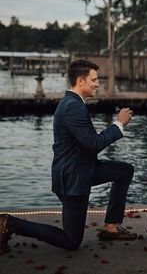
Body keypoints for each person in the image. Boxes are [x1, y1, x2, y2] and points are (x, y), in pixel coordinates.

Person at [0, 59, 136, 255]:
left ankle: (111, 227)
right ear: (81, 82)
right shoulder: (73, 107)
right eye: (94, 79)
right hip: (73, 177)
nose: (98, 84)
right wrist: (119, 125)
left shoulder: (73, 103)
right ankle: (9, 223)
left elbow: (87, 145)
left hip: (84, 169)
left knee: (124, 171)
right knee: (71, 241)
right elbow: (94, 144)